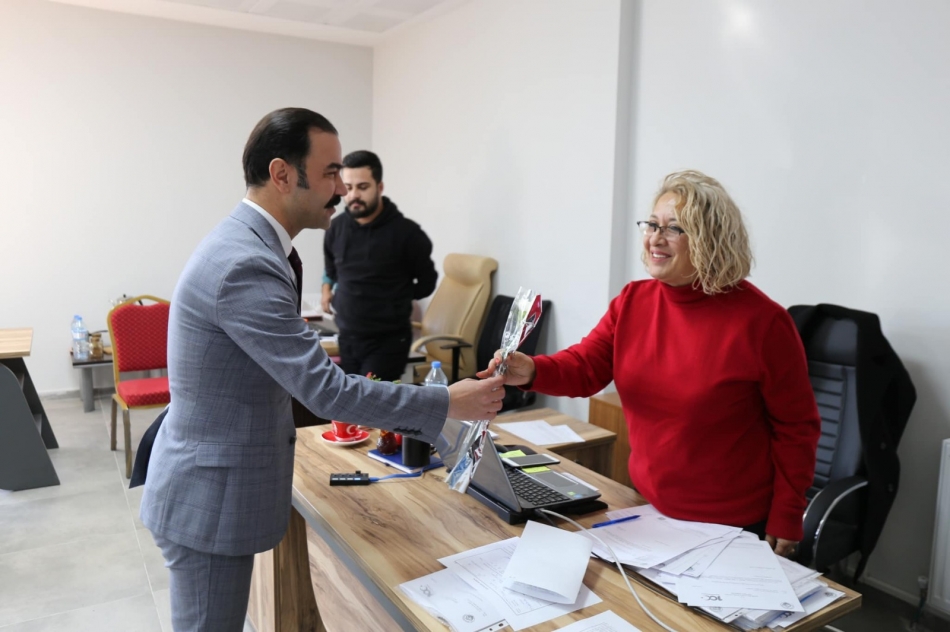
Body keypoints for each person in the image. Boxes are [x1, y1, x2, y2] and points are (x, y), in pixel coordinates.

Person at [140, 108, 504, 632]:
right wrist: (448, 401)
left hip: (211, 483)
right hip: (208, 498)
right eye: (331, 172)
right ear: (282, 174)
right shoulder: (245, 262)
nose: (340, 188)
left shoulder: (252, 245)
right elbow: (325, 391)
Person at [479, 170, 821, 557]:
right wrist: (533, 370)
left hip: (731, 525)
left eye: (674, 228)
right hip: (647, 507)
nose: (656, 238)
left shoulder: (763, 322)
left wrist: (787, 514)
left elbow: (797, 427)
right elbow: (587, 366)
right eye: (652, 225)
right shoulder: (633, 301)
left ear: (710, 239)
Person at [321, 150, 437, 381]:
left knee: (371, 401)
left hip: (387, 342)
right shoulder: (336, 227)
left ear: (379, 187)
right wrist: (326, 290)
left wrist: (395, 298)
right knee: (348, 400)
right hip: (347, 336)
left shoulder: (407, 233)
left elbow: (427, 282)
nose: (354, 195)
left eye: (363, 187)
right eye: (348, 187)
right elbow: (331, 268)